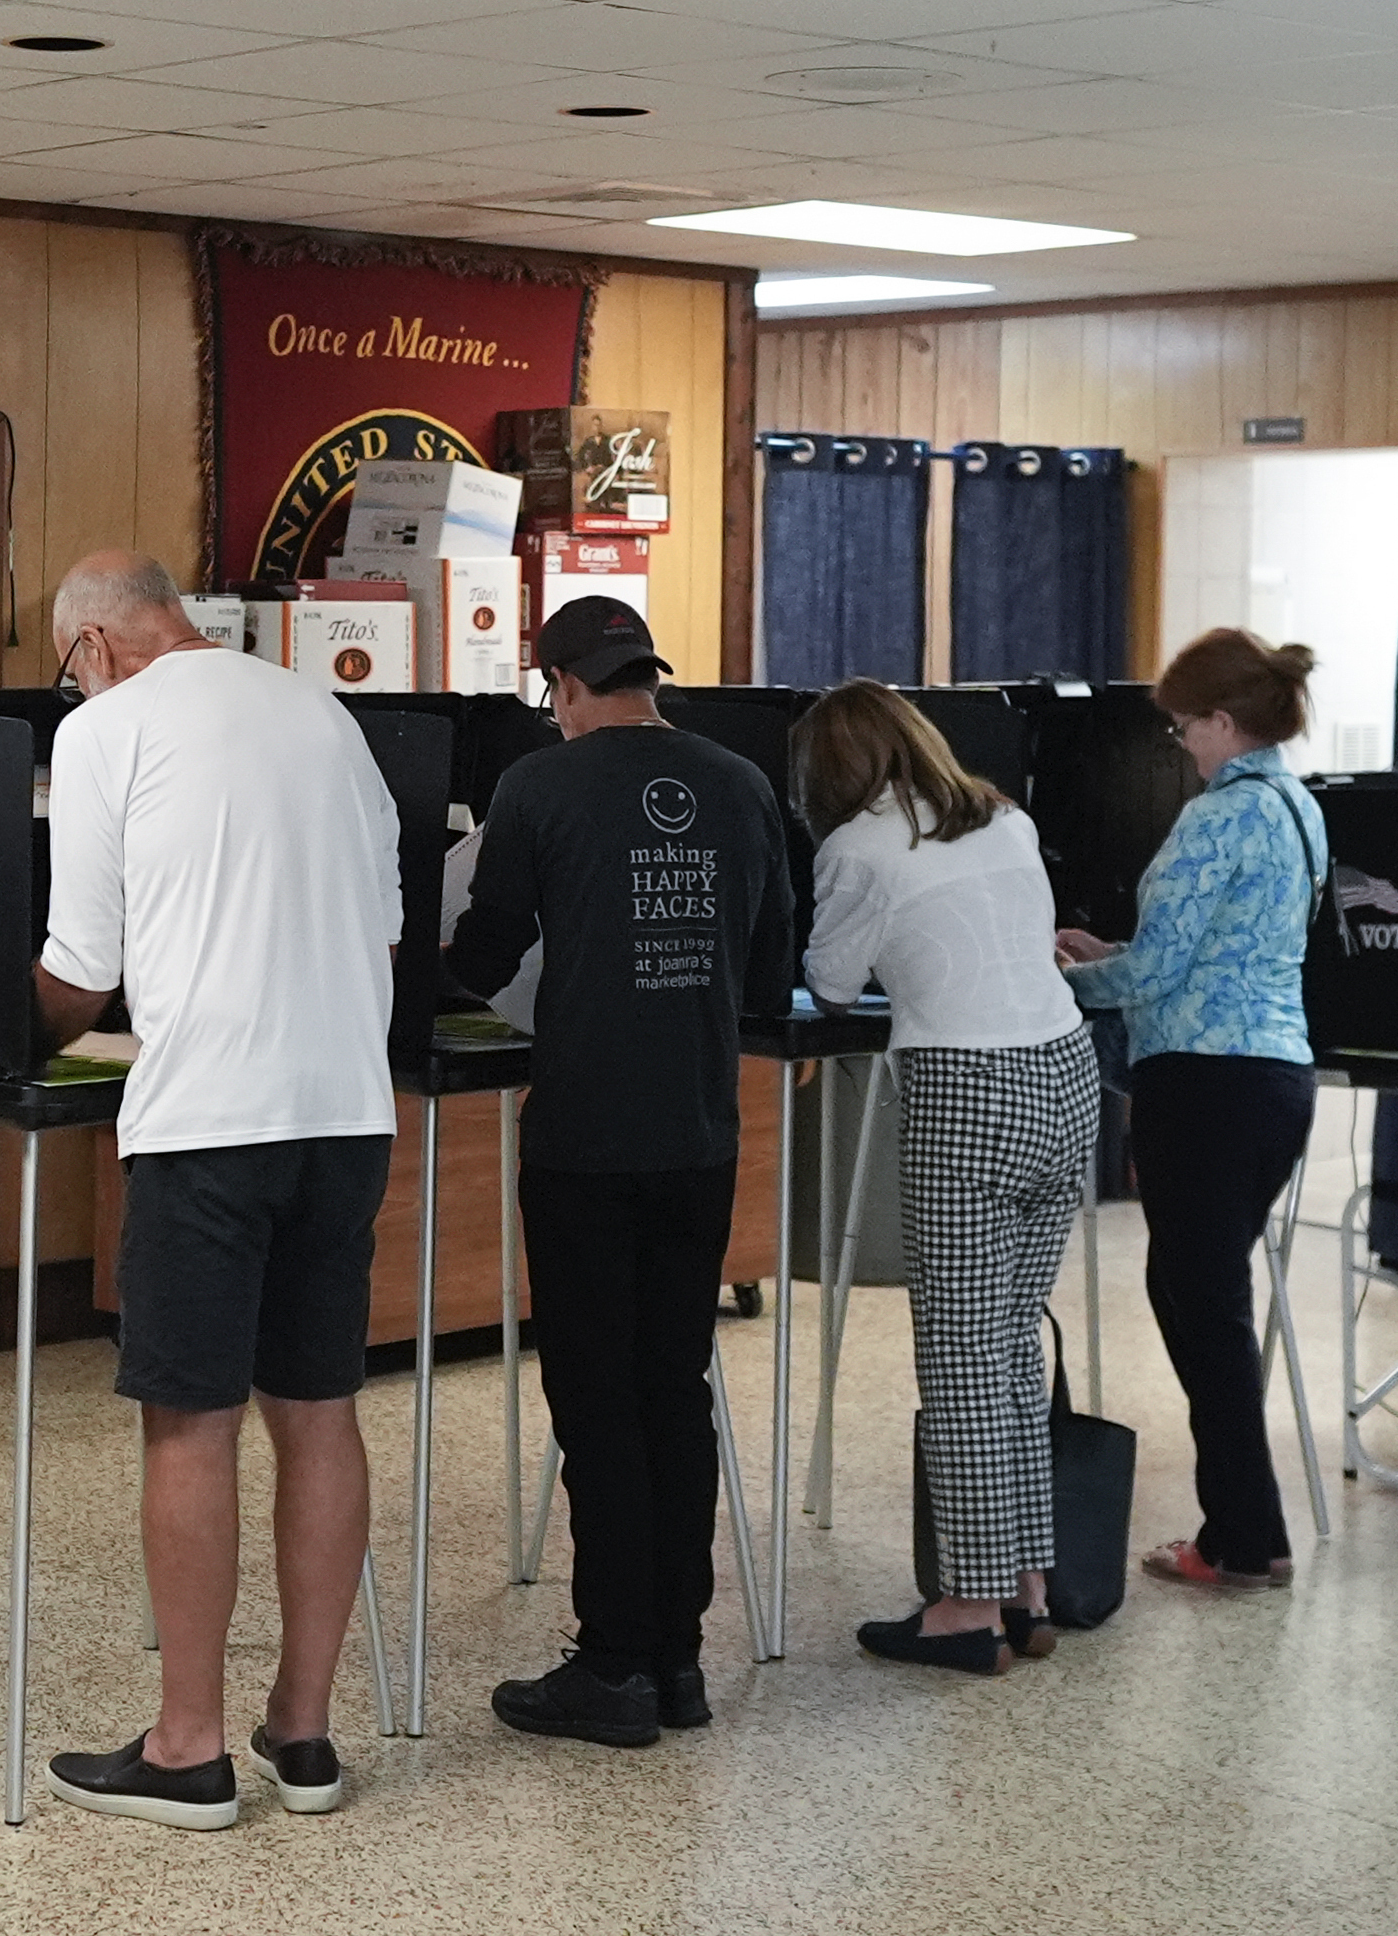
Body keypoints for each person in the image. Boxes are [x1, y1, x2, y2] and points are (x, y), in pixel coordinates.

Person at [34, 552, 401, 1830]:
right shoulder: (322, 709)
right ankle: (302, 1734)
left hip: (206, 1124)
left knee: (188, 1421)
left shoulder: (104, 730)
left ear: (90, 644)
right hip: (347, 1110)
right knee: (317, 1409)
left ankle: (186, 1746)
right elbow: (387, 923)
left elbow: (78, 973)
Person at [445, 595, 792, 1748]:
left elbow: (488, 952)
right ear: (648, 672)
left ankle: (611, 1667)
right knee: (672, 1390)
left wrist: (401, 983)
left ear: (559, 685)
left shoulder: (538, 787)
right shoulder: (740, 783)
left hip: (585, 1135)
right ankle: (678, 1661)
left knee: (596, 1400)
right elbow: (766, 972)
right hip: (699, 1134)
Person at [794, 681, 1098, 1675]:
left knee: (961, 1357)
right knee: (1012, 1341)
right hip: (1067, 1073)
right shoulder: (1003, 814)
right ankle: (1026, 1583)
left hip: (969, 1086)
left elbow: (832, 984)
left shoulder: (856, 847)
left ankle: (965, 1608)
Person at [1058, 629, 1325, 1591]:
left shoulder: (1218, 820)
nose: (1181, 746)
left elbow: (1163, 971)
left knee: (1202, 1311)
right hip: (1275, 1076)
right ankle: (1250, 1529)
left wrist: (1067, 975)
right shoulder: (1297, 808)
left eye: (1183, 729)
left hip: (1206, 1084)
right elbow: (1216, 952)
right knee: (1201, 1302)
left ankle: (1244, 1541)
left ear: (1221, 720)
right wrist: (1111, 955)